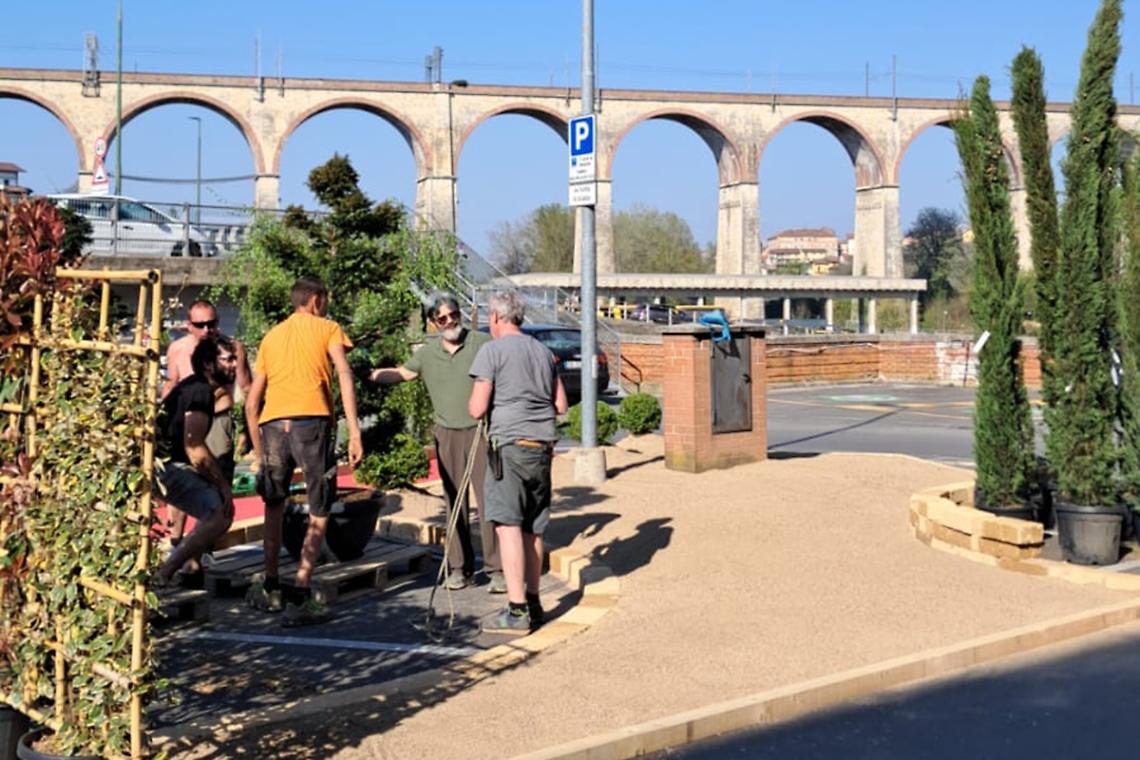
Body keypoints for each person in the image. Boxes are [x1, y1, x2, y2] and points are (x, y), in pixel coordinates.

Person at [243, 276, 364, 627]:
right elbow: (343, 372)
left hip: (273, 425)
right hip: (312, 423)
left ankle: (270, 585)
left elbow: (252, 402)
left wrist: (257, 449)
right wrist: (354, 432)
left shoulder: (271, 337)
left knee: (273, 503)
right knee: (320, 503)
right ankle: (301, 590)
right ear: (315, 299)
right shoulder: (328, 328)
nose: (326, 305)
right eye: (324, 300)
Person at [369, 292, 501, 592]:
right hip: (446, 434)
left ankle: (497, 569)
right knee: (454, 503)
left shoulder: (482, 343)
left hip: (480, 431)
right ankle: (459, 568)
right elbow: (402, 373)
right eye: (442, 317)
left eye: (454, 314)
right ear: (433, 323)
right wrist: (370, 375)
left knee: (489, 501)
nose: (451, 321)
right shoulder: (427, 354)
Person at [468, 291, 568, 634]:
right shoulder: (543, 351)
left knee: (507, 526)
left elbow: (477, 408)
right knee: (533, 527)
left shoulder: (491, 351)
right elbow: (561, 404)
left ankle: (517, 610)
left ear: (496, 318)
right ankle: (534, 601)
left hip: (509, 446)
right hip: (541, 446)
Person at [161, 299, 251, 553]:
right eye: (200, 325)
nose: (207, 330)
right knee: (180, 480)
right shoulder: (178, 349)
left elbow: (247, 388)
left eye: (212, 323)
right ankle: (177, 543)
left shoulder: (231, 349)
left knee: (216, 483)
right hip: (185, 422)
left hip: (218, 419)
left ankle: (200, 550)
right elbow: (171, 384)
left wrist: (247, 430)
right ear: (189, 325)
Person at [153, 336, 236, 586]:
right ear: (209, 364)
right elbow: (195, 447)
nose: (234, 365)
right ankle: (167, 572)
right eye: (228, 359)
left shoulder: (196, 386)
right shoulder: (200, 391)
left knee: (211, 502)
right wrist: (224, 486)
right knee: (220, 511)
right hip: (164, 468)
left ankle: (189, 567)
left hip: (163, 464)